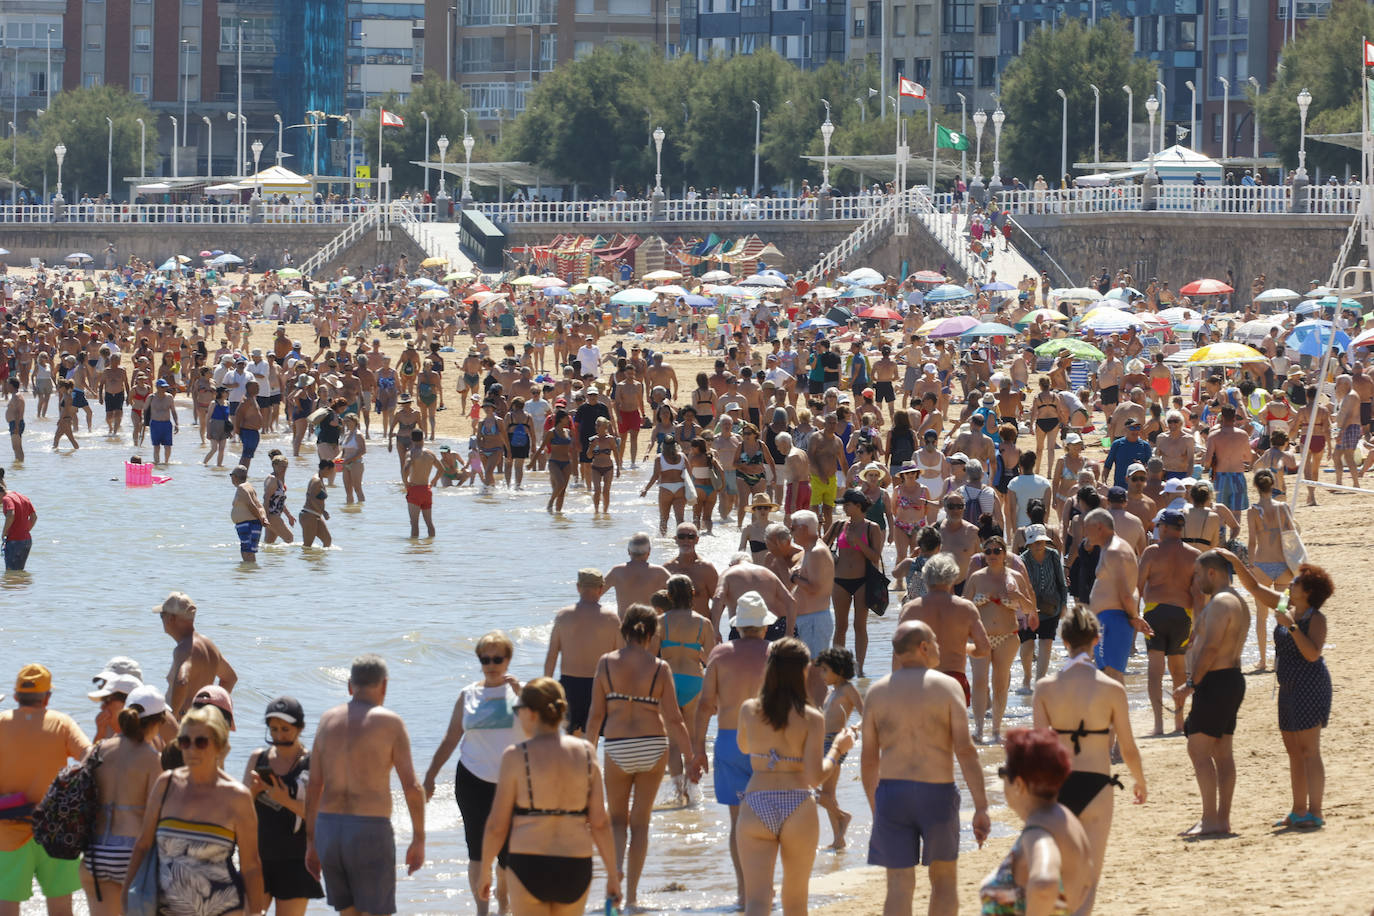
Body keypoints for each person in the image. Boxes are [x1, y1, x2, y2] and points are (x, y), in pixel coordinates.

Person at [861, 622, 990, 916]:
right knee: (944, 881)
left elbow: (869, 761)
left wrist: (875, 806)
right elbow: (966, 750)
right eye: (935, 640)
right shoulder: (947, 687)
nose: (940, 647)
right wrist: (981, 806)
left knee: (897, 884)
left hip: (892, 794)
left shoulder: (878, 693)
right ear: (923, 648)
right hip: (937, 793)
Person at [1032, 605, 1146, 910]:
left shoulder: (1045, 688)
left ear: (1063, 641)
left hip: (1058, 787)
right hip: (1097, 784)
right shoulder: (1111, 689)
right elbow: (1128, 748)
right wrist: (1139, 781)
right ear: (1097, 639)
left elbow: (1041, 750)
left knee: (1061, 875)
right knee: (1090, 876)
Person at [477, 678, 620, 914]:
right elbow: (600, 823)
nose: (517, 715)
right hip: (575, 863)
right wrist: (613, 875)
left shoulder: (515, 756)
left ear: (532, 714)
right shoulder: (586, 752)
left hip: (529, 863)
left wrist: (484, 873)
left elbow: (497, 826)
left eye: (518, 709)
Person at [734, 638, 855, 916]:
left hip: (757, 803)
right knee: (796, 901)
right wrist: (838, 748)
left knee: (757, 901)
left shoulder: (749, 710)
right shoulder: (811, 716)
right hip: (798, 805)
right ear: (802, 671)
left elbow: (744, 747)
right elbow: (815, 778)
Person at [584, 605, 694, 910]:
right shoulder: (660, 668)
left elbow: (595, 718)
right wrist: (692, 757)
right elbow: (674, 719)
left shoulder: (606, 664)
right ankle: (632, 897)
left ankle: (614, 889)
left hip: (618, 745)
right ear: (652, 634)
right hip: (652, 745)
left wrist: (588, 757)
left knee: (616, 821)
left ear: (624, 630)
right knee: (641, 824)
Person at [305, 654, 426, 916]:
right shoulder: (390, 723)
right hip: (369, 830)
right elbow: (412, 787)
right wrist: (419, 838)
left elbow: (314, 786)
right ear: (384, 685)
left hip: (329, 829)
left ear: (350, 686)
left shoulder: (326, 721)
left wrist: (311, 842)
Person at [122, 706, 268, 916]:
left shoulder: (238, 797)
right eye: (185, 741)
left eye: (200, 742)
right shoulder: (166, 785)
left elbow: (251, 866)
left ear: (219, 746)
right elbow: (143, 845)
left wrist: (255, 912)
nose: (191, 750)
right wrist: (126, 894)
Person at [1224, 555, 1332, 829]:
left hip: (1310, 685)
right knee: (1294, 752)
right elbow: (1256, 590)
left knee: (1310, 751)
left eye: (1295, 583)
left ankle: (1315, 811)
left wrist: (1291, 626)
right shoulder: (1286, 605)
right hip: (1288, 687)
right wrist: (1235, 561)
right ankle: (1298, 810)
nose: (1289, 585)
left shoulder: (1314, 618)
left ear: (1308, 592)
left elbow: (1312, 654)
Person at [423, 633, 523, 916]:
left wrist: (520, 695)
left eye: (497, 658)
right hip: (472, 780)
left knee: (507, 855)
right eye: (485, 659)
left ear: (508, 659)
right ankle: (482, 910)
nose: (491, 664)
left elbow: (544, 729)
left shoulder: (523, 693)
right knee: (478, 852)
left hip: (512, 783)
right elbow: (451, 737)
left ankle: (504, 908)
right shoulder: (468, 694)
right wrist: (430, 775)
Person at [691, 592, 772, 908]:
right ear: (764, 627)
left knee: (738, 823)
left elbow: (705, 706)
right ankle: (765, 887)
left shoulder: (720, 655)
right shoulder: (777, 654)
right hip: (770, 743)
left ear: (738, 626)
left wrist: (698, 749)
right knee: (769, 820)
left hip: (729, 740)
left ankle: (744, 892)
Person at [0, 664, 91, 916]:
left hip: (8, 830)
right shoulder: (61, 723)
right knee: (61, 907)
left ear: (16, 696)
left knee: (7, 906)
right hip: (56, 829)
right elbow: (90, 757)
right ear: (47, 696)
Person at [1173, 551, 1250, 837]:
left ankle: (1210, 819)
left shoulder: (1221, 603)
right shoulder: (1237, 601)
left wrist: (1191, 684)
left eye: (1198, 573)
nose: (1195, 579)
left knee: (1198, 749)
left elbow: (1213, 648)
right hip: (1228, 680)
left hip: (1217, 681)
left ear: (1212, 573)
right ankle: (1221, 819)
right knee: (1222, 752)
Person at [979, 728, 1093, 916]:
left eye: (1003, 773)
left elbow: (1044, 884)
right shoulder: (1067, 821)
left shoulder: (1038, 830)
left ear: (1019, 784)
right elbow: (1086, 882)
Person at [80, 684, 164, 915]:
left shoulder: (99, 751)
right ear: (157, 721)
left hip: (95, 851)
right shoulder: (151, 758)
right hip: (130, 853)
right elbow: (155, 814)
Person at [244, 697, 325, 916]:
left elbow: (319, 816)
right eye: (274, 729)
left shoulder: (312, 763)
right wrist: (252, 791)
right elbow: (240, 810)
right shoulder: (257, 759)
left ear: (300, 728)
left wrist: (282, 798)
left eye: (285, 729)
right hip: (258, 857)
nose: (279, 736)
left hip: (296, 859)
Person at [965, 535, 1036, 744]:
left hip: (1007, 636)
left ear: (1005, 554)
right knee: (978, 682)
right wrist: (976, 602)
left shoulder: (1015, 576)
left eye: (997, 551)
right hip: (981, 636)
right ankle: (978, 729)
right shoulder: (977, 577)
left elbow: (1030, 608)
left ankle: (996, 729)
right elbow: (962, 604)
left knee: (1000, 683)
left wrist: (1018, 598)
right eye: (988, 551)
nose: (993, 555)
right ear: (983, 555)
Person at [1137, 509, 1202, 735]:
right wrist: (1198, 626)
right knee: (1178, 670)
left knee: (1155, 670)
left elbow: (1138, 586)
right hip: (1183, 615)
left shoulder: (1151, 552)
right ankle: (1179, 721)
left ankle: (1158, 724)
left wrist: (1135, 616)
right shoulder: (1194, 555)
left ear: (1164, 527)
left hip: (1155, 612)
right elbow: (1199, 595)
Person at [898, 553, 991, 706]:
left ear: (925, 577)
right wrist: (965, 648)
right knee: (956, 728)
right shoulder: (965, 608)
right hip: (955, 680)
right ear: (953, 577)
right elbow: (984, 649)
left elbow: (898, 656)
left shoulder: (910, 609)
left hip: (922, 678)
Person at [543, 569, 623, 736]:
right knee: (593, 735)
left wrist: (546, 687)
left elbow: (552, 655)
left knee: (571, 737)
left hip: (570, 684)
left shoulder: (563, 616)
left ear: (578, 587)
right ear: (601, 589)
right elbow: (621, 656)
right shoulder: (611, 618)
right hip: (599, 684)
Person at [1082, 509, 1152, 683]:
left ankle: (1118, 710)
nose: (1085, 533)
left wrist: (1135, 617)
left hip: (1113, 619)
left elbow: (1126, 593)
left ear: (1099, 527)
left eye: (1087, 528)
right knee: (1105, 676)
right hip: (1108, 619)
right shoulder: (1110, 548)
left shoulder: (1114, 551)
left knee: (1111, 676)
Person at [826, 489, 886, 678]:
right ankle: (838, 667)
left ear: (858, 506)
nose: (843, 507)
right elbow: (820, 546)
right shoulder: (838, 525)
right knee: (840, 625)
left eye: (847, 504)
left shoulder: (872, 528)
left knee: (860, 626)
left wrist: (858, 544)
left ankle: (859, 668)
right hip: (839, 580)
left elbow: (876, 557)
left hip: (863, 581)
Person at [156, 591, 237, 718]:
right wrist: (214, 707)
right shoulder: (210, 646)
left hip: (183, 725)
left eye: (162, 615)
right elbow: (230, 678)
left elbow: (182, 681)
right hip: (202, 720)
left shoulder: (183, 650)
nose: (161, 619)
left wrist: (174, 716)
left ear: (171, 618)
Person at [814, 647, 862, 850]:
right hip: (822, 742)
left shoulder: (848, 689)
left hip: (836, 742)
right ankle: (838, 839)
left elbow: (866, 713)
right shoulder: (831, 692)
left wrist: (855, 728)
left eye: (825, 670)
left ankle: (843, 817)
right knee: (827, 793)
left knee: (817, 791)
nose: (822, 675)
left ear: (839, 670)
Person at [1017, 523, 1067, 689]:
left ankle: (1040, 683)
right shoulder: (1022, 560)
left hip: (1051, 608)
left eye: (1041, 541)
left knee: (1046, 644)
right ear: (1029, 543)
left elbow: (1061, 583)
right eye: (1035, 542)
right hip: (1027, 610)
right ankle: (1027, 677)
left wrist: (1064, 605)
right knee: (1027, 645)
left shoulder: (1053, 556)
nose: (1038, 545)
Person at [600, 533, 670, 619]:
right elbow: (680, 594)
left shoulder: (617, 571)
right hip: (650, 625)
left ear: (629, 551)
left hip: (625, 625)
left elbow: (594, 594)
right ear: (649, 551)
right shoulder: (659, 572)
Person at [403, 429, 442, 537]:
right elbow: (441, 469)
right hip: (426, 490)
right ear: (423, 438)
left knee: (414, 524)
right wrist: (433, 481)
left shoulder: (410, 453)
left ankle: (415, 549)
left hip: (415, 489)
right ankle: (430, 546)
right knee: (429, 523)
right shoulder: (430, 453)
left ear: (411, 439)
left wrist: (406, 482)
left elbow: (405, 469)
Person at [230, 464, 270, 563]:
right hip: (253, 523)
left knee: (246, 552)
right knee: (249, 552)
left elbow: (251, 505)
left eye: (231, 475)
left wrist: (261, 519)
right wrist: (264, 518)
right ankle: (251, 574)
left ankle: (248, 575)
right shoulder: (249, 487)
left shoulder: (241, 488)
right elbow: (259, 506)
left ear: (234, 476)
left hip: (248, 524)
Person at [0, 471, 36, 572]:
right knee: (19, 572)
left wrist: (4, 532)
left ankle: (11, 587)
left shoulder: (7, 499)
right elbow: (34, 517)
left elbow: (11, 514)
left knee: (10, 572)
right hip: (27, 541)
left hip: (15, 541)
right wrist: (24, 531)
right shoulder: (22, 496)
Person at [300, 459, 334, 548]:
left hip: (316, 515)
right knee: (307, 545)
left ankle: (319, 561)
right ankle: (306, 560)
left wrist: (322, 512)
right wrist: (323, 511)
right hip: (309, 515)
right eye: (331, 471)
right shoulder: (316, 481)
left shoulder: (321, 480)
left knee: (327, 540)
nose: (331, 474)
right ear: (326, 468)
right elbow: (311, 498)